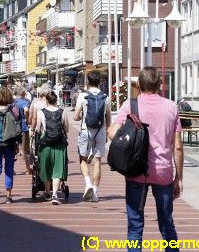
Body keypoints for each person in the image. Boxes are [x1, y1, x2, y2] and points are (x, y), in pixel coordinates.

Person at [108, 67, 184, 252]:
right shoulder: (171, 107)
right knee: (167, 222)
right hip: (163, 172)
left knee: (135, 225)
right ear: (159, 84)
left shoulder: (130, 105)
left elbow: (112, 133)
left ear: (139, 85)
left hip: (136, 170)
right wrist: (179, 178)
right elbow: (178, 146)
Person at [74, 70, 111, 202]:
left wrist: (81, 116)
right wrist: (106, 131)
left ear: (88, 82)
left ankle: (88, 183)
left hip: (85, 130)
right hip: (100, 131)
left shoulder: (83, 96)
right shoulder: (105, 96)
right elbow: (108, 117)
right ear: (100, 81)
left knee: (83, 159)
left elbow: (75, 116)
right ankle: (95, 192)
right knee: (97, 161)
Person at [35, 92, 69, 205]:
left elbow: (37, 129)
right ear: (56, 100)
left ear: (47, 101)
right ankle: (55, 194)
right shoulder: (62, 112)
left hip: (45, 144)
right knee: (57, 169)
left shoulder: (41, 112)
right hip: (59, 144)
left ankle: (48, 192)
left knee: (46, 169)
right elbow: (66, 129)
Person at [14, 86, 31, 174]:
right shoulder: (25, 102)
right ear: (23, 93)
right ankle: (27, 168)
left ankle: (11, 169)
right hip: (23, 127)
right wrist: (27, 119)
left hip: (13, 127)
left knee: (13, 148)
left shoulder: (13, 102)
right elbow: (26, 110)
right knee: (25, 148)